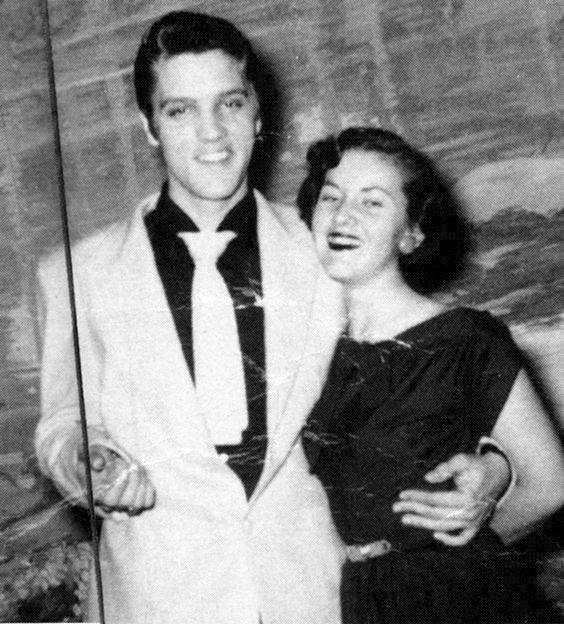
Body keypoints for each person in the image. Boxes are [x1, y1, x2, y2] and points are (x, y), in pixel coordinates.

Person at [35, 13, 517, 624]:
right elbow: (61, 424)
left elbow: (431, 361)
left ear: (258, 114)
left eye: (230, 104)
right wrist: (86, 463)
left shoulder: (325, 247)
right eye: (180, 110)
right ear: (149, 125)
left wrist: (495, 466)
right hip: (159, 595)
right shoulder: (76, 273)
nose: (213, 133)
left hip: (313, 592)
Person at [299, 126, 564, 624]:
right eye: (330, 197)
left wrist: (462, 554)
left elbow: (550, 485)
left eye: (372, 202)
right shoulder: (308, 349)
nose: (343, 216)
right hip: (360, 599)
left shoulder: (465, 339)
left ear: (411, 234)